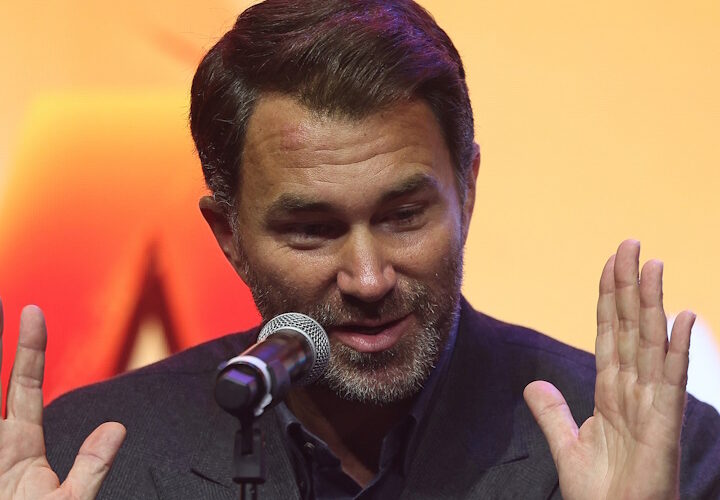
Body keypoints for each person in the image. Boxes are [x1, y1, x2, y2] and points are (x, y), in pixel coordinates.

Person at [1, 0, 719, 498]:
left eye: (403, 216)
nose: (369, 279)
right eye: (312, 229)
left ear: (467, 192)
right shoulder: (89, 462)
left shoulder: (666, 455)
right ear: (230, 237)